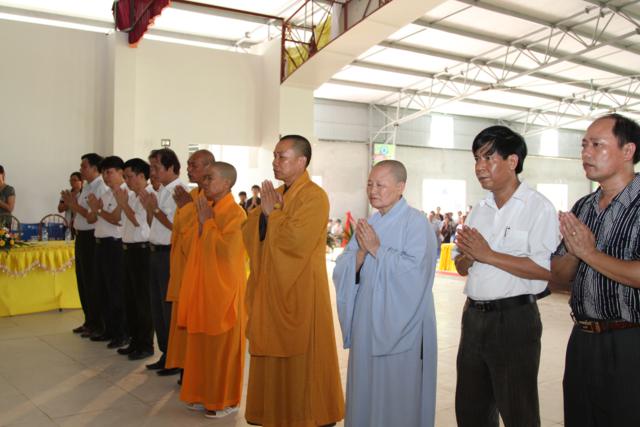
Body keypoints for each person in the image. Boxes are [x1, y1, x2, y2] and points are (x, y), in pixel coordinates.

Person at [454, 126, 558, 427]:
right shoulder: (480, 209)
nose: (479, 167)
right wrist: (468, 257)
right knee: (471, 409)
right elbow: (462, 266)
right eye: (476, 159)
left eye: (488, 158)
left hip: (513, 320)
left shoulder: (538, 208)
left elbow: (547, 270)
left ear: (513, 161)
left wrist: (488, 254)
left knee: (518, 409)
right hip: (474, 317)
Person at [243, 135, 344, 426]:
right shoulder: (275, 193)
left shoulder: (314, 196)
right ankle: (274, 413)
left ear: (301, 161)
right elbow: (249, 228)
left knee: (304, 358)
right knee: (271, 350)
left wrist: (271, 215)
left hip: (301, 289)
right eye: (274, 156)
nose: (275, 162)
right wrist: (265, 217)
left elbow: (297, 240)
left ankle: (311, 415)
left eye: (281, 157)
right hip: (272, 288)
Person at [550, 114, 640, 427]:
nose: (586, 153)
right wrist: (574, 253)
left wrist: (589, 253)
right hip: (583, 339)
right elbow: (558, 276)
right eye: (584, 145)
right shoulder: (583, 207)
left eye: (597, 145)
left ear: (628, 151)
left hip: (630, 342)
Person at [333, 160, 438, 427]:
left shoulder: (416, 223)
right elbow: (343, 267)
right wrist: (361, 253)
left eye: (380, 185)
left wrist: (378, 250)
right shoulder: (370, 223)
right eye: (370, 184)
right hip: (367, 318)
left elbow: (418, 274)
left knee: (397, 390)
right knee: (365, 385)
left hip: (402, 322)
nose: (373, 190)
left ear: (401, 187)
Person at [178, 162, 247, 418]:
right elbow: (188, 246)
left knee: (221, 349)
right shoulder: (206, 209)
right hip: (202, 287)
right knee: (200, 345)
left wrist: (206, 224)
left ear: (227, 183)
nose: (204, 183)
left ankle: (225, 400)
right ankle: (200, 394)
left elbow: (228, 253)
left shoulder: (236, 214)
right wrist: (200, 224)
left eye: (210, 178)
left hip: (223, 290)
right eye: (204, 178)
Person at [164, 150, 215, 381]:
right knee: (181, 322)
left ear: (209, 167)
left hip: (198, 271)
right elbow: (178, 230)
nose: (189, 169)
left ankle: (193, 371)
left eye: (194, 165)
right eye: (188, 164)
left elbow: (198, 235)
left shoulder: (210, 198)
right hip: (182, 267)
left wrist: (186, 207)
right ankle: (184, 367)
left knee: (194, 323)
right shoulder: (192, 194)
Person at [140, 148, 188, 375]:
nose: (152, 172)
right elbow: (154, 224)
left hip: (169, 254)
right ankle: (166, 353)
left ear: (171, 168)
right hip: (155, 252)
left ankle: (175, 358)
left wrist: (154, 208)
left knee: (168, 308)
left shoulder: (180, 191)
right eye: (151, 167)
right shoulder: (160, 191)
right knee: (157, 306)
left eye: (156, 167)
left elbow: (174, 226)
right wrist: (152, 209)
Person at [61, 153, 108, 338]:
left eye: (84, 166)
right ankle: (89, 320)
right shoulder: (87, 186)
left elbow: (91, 216)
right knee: (82, 281)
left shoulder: (100, 187)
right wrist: (73, 204)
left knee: (92, 282)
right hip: (80, 237)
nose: (81, 169)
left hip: (91, 237)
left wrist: (73, 205)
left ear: (95, 168)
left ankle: (98, 323)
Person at [114, 158, 155, 360]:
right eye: (125, 177)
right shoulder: (131, 196)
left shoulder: (149, 195)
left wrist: (122, 204)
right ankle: (134, 340)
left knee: (143, 301)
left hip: (143, 251)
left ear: (141, 176)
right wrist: (123, 204)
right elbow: (123, 222)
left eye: (129, 176)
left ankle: (146, 344)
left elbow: (139, 222)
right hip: (128, 250)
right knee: (129, 298)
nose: (126, 180)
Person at [87, 156, 128, 349]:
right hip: (100, 245)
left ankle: (122, 333)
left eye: (109, 172)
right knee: (102, 289)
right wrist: (95, 209)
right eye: (103, 172)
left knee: (116, 291)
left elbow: (115, 219)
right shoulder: (106, 194)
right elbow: (90, 218)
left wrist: (97, 210)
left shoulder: (125, 193)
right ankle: (108, 330)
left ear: (121, 172)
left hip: (115, 246)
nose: (105, 176)